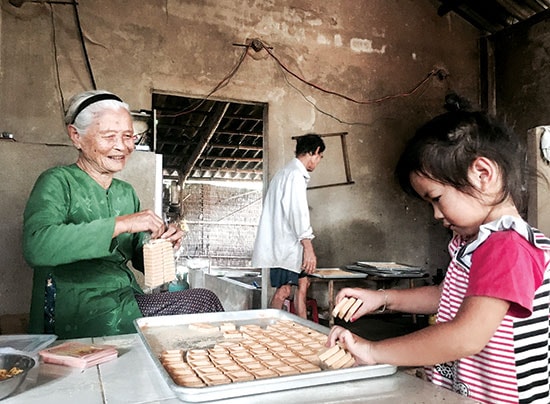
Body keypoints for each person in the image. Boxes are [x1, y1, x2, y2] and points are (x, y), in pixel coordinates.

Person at [327, 100, 550, 403]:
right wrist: (383, 299)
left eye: (436, 198)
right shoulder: (474, 241)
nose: (435, 215)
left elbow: (466, 336)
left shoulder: (509, 246)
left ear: (482, 174)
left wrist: (373, 351)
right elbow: (448, 295)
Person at [23, 90, 224, 339]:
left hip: (126, 296)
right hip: (77, 304)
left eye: (128, 136)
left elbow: (139, 257)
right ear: (76, 136)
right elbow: (36, 246)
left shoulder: (125, 192)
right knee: (202, 302)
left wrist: (162, 245)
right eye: (109, 137)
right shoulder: (56, 182)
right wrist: (120, 224)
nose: (122, 146)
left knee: (199, 307)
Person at [252, 134, 325, 319]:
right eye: (319, 156)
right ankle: (267, 329)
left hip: (289, 246)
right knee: (284, 291)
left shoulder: (287, 172)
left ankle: (304, 332)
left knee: (302, 286)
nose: (318, 161)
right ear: (313, 152)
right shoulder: (294, 175)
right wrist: (308, 247)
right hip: (286, 246)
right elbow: (297, 213)